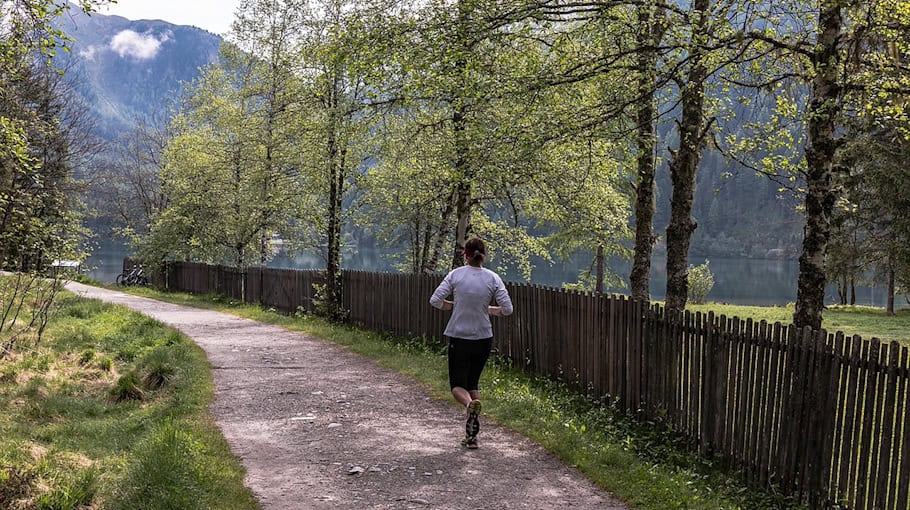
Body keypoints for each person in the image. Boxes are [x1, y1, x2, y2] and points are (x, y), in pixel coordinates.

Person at [429, 238, 513, 449]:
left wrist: (452, 307)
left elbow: (435, 300)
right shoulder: (493, 278)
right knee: (473, 383)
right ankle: (472, 437)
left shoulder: (456, 275)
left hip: (459, 336)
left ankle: (469, 405)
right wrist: (491, 310)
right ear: (484, 255)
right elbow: (508, 309)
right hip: (483, 338)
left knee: (458, 385)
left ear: (465, 254)